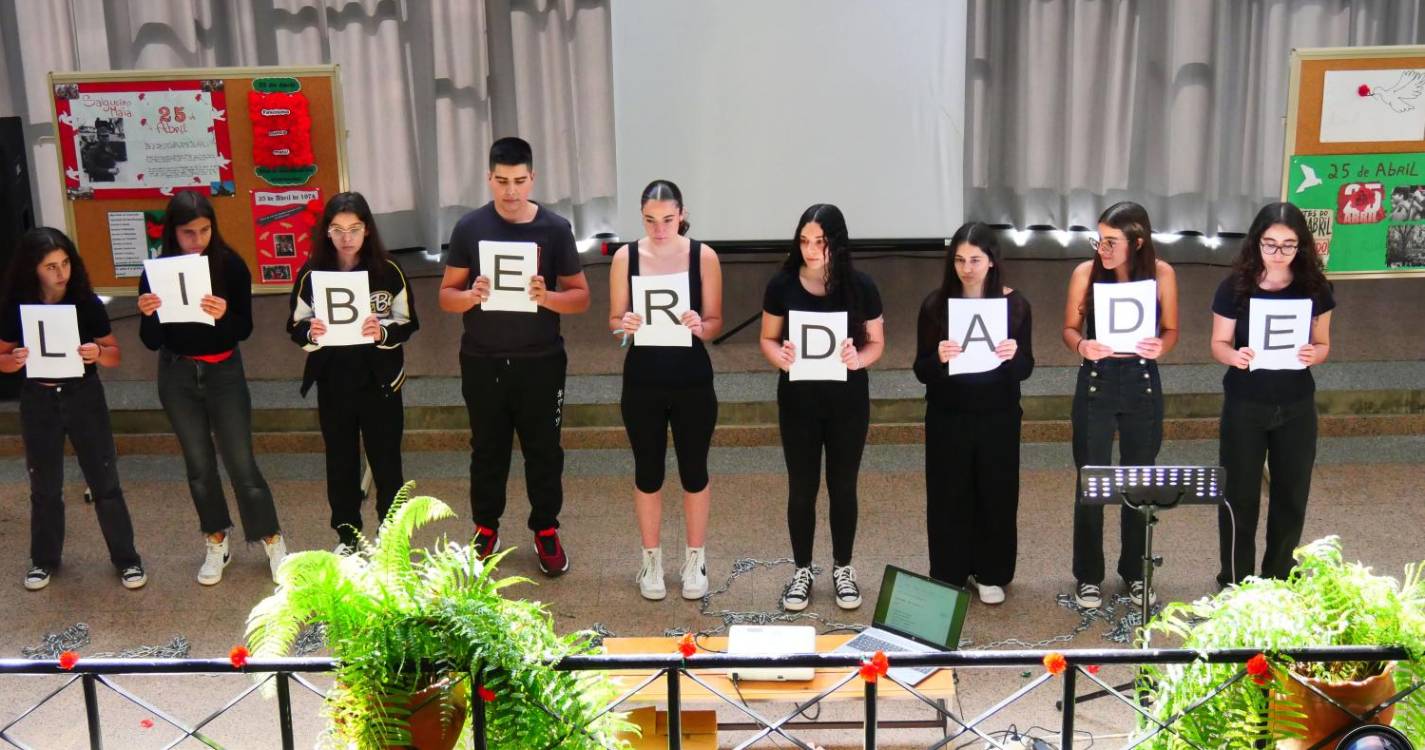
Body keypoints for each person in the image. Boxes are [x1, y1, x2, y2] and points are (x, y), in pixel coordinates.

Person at [439, 136, 590, 576]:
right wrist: (470, 296)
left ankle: (545, 528)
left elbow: (580, 298)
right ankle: (486, 527)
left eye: (519, 181)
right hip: (483, 359)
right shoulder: (470, 228)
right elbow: (446, 295)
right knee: (487, 450)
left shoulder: (555, 229)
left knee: (544, 451)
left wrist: (549, 298)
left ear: (533, 179)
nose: (510, 191)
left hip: (540, 361)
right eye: (501, 181)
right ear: (489, 179)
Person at [138, 191, 285, 585]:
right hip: (177, 375)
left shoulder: (230, 266)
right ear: (174, 233)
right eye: (189, 233)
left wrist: (224, 316)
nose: (197, 239)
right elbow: (151, 340)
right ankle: (216, 539)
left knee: (241, 462)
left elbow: (245, 329)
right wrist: (149, 314)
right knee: (199, 466)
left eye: (205, 230)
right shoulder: (157, 271)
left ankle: (272, 539)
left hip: (223, 374)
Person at [0, 228, 146, 590]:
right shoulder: (17, 306)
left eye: (65, 263)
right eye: (51, 266)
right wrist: (13, 360)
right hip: (39, 398)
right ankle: (44, 561)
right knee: (44, 484)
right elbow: (1, 357)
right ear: (33, 269)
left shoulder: (87, 303)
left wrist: (98, 353)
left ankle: (127, 559)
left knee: (104, 480)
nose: (60, 272)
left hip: (83, 395)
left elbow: (113, 354)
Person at [760, 204, 884, 611]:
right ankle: (802, 570)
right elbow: (767, 340)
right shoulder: (782, 285)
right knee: (802, 486)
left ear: (836, 243)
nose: (812, 250)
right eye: (805, 241)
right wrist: (783, 357)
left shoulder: (862, 286)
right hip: (799, 400)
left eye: (820, 242)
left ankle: (843, 568)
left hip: (848, 400)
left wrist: (858, 359)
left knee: (843, 486)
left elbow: (876, 343)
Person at [608, 180, 723, 600]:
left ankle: (696, 559)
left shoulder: (703, 256)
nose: (659, 229)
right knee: (647, 471)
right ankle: (650, 559)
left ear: (682, 214)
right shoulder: (626, 257)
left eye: (668, 220)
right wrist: (626, 325)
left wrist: (699, 325)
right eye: (650, 221)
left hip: (692, 378)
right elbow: (613, 320)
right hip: (643, 378)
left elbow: (714, 322)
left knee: (695, 470)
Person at [1061, 201, 1178, 609]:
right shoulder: (1085, 273)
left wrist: (1161, 345)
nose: (1102, 249)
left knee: (1140, 479)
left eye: (1111, 242)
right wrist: (1081, 344)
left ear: (1138, 241)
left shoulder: (1161, 273)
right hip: (1097, 380)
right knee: (1091, 479)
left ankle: (1135, 571)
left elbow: (1171, 329)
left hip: (1142, 381)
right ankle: (1089, 575)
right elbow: (1069, 328)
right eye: (1099, 239)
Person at [287, 192, 419, 554]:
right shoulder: (312, 274)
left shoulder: (388, 271)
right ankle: (348, 537)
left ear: (367, 230)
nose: (347, 238)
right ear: (327, 233)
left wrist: (384, 332)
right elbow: (295, 325)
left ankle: (392, 540)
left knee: (387, 464)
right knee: (341, 464)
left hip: (381, 384)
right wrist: (310, 334)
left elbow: (409, 322)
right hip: (334, 384)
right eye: (338, 229)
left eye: (355, 229)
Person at [1212, 202, 1333, 585]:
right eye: (1270, 244)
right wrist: (1236, 355)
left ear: (1302, 247)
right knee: (1239, 496)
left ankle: (1279, 574)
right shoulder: (1234, 286)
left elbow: (1324, 344)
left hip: (1296, 404)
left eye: (1288, 245)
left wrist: (1316, 353)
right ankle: (1235, 577)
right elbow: (1218, 343)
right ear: (1255, 242)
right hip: (1245, 403)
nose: (1278, 253)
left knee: (1292, 493)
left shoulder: (1316, 287)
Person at [914, 222, 1033, 605]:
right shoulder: (935, 305)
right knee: (949, 492)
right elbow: (921, 370)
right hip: (948, 415)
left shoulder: (1016, 306)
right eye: (960, 260)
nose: (967, 268)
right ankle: (949, 570)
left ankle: (991, 571)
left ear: (993, 262)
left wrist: (1013, 357)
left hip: (998, 415)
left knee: (996, 492)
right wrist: (939, 359)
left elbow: (1026, 369)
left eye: (975, 260)